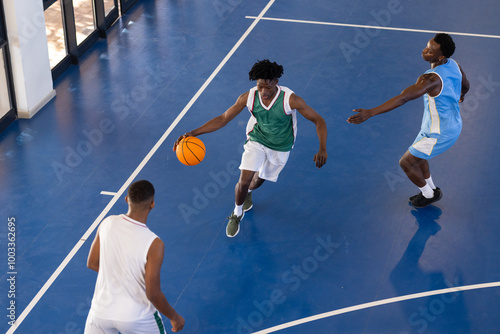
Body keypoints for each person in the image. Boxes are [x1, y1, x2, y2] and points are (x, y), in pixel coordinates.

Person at [174, 59, 328, 237]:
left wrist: (322, 148)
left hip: (280, 146)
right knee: (244, 179)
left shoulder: (290, 99)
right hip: (257, 138)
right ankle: (237, 213)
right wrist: (193, 133)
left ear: (276, 82)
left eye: (268, 87)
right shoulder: (248, 97)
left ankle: (248, 193)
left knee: (257, 181)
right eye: (260, 86)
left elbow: (319, 120)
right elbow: (223, 118)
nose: (263, 92)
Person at [347, 33, 469, 208]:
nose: (425, 50)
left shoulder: (430, 79)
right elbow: (466, 86)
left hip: (440, 132)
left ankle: (428, 195)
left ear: (441, 56)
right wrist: (461, 95)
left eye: (430, 50)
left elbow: (404, 98)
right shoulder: (454, 65)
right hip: (442, 124)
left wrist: (370, 112)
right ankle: (432, 189)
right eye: (427, 46)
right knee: (418, 156)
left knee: (406, 162)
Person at [85, 180, 185, 333]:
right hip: (137, 318)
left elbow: (92, 263)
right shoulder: (154, 244)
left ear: (126, 199)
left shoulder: (107, 223)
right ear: (152, 204)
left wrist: (119, 278)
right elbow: (153, 293)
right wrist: (175, 317)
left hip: (100, 313)